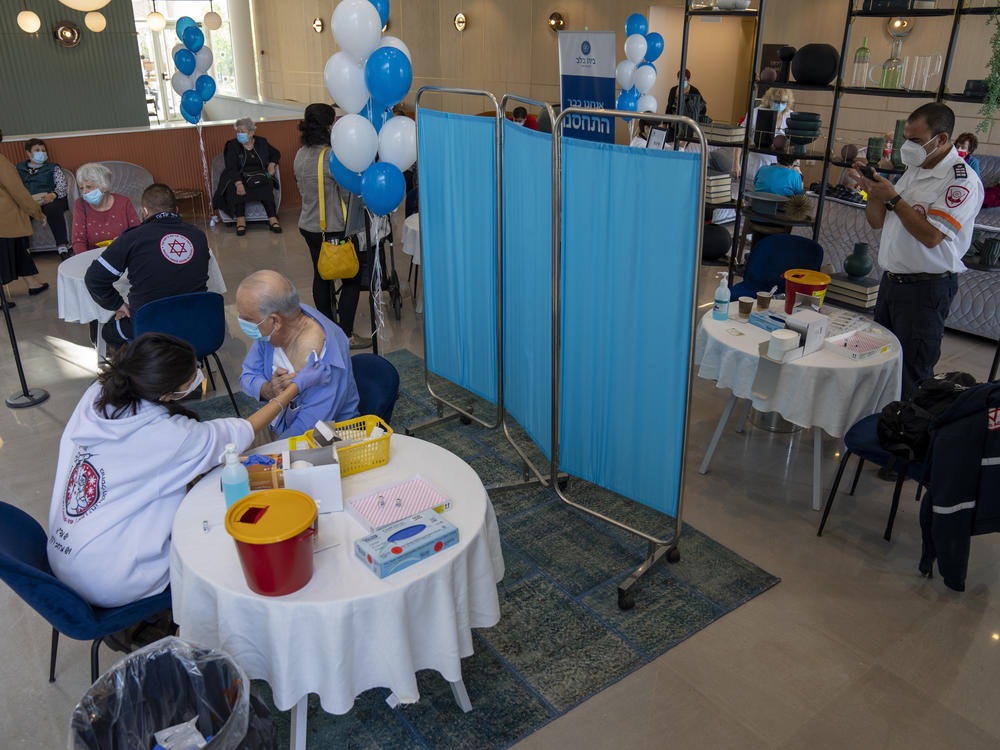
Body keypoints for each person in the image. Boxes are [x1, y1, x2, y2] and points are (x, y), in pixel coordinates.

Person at [46, 332, 328, 608]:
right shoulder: (167, 435)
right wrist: (295, 388)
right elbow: (239, 432)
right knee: (226, 547)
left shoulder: (98, 393)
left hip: (65, 556)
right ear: (166, 392)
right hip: (111, 578)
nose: (198, 370)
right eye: (193, 370)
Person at [852, 102, 984, 400]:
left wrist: (895, 199)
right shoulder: (913, 170)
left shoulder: (961, 180)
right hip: (892, 283)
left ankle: (905, 440)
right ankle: (880, 428)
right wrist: (873, 191)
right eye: (906, 139)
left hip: (926, 289)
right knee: (880, 362)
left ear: (940, 139)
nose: (907, 147)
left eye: (915, 140)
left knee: (912, 372)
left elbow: (932, 236)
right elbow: (877, 222)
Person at [85, 183, 210, 349]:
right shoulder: (198, 235)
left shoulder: (132, 238)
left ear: (143, 211)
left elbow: (94, 279)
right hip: (194, 320)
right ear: (177, 210)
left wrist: (117, 304)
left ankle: (140, 369)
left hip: (150, 324)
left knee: (108, 332)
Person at [237, 270, 360, 439]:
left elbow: (303, 434)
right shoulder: (271, 327)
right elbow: (247, 376)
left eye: (247, 319)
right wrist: (268, 389)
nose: (243, 324)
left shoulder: (322, 359)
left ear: (275, 321)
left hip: (327, 439)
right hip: (279, 423)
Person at [293, 103, 369, 349]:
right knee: (351, 278)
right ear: (329, 126)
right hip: (333, 228)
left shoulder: (300, 154)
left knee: (321, 276)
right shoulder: (331, 157)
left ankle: (326, 330)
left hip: (308, 225)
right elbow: (349, 193)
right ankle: (345, 335)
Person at [0, 128, 50, 306]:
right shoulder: (1, 162)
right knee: (6, 255)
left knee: (18, 251)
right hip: (5, 221)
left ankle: (32, 283)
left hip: (5, 222)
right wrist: (36, 212)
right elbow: (18, 192)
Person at [212, 117, 282, 235]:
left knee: (267, 182)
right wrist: (238, 183)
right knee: (236, 188)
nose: (239, 134)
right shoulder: (232, 145)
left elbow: (276, 153)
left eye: (242, 131)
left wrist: (271, 164)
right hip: (239, 175)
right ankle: (240, 220)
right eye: (238, 131)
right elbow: (231, 167)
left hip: (258, 174)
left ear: (251, 133)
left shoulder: (262, 142)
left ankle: (272, 218)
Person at [15, 138, 70, 258]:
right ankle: (24, 250)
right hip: (29, 200)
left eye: (43, 150)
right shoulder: (19, 169)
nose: (41, 152)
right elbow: (15, 187)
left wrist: (53, 195)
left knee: (53, 210)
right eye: (37, 150)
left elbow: (62, 186)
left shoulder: (53, 167)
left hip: (51, 198)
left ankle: (62, 247)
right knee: (20, 212)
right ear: (28, 153)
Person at [72, 162, 140, 255]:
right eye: (81, 188)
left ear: (104, 186)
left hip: (122, 254)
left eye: (89, 187)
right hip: (92, 257)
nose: (84, 192)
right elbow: (78, 240)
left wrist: (124, 240)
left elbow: (136, 232)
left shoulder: (124, 203)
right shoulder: (80, 204)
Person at [733, 88, 794, 186]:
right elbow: (740, 138)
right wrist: (736, 163)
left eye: (783, 102)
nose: (779, 105)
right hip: (754, 165)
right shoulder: (755, 113)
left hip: (778, 168)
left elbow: (795, 143)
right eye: (776, 101)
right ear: (769, 100)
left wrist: (796, 165)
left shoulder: (790, 116)